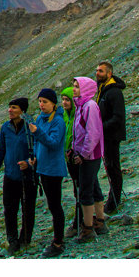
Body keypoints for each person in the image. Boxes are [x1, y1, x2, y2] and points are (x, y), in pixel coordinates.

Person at [0, 97, 36, 254]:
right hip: (10, 176)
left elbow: (39, 148)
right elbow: (0, 150)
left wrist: (30, 162)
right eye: (9, 107)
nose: (10, 110)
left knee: (28, 209)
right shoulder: (5, 128)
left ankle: (25, 238)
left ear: (22, 110)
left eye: (14, 107)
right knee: (10, 210)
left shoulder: (31, 127)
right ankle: (12, 240)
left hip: (28, 176)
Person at [26, 87, 66, 257]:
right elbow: (36, 142)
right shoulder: (40, 119)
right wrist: (34, 156)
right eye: (40, 101)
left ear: (53, 103)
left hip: (54, 169)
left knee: (55, 205)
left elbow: (54, 143)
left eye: (45, 102)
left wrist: (38, 132)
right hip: (43, 167)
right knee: (52, 204)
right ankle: (57, 238)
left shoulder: (58, 121)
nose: (41, 105)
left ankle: (58, 242)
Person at [70, 76, 106, 242]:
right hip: (86, 154)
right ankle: (100, 221)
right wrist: (73, 148)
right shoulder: (81, 105)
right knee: (94, 187)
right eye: (74, 86)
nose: (74, 89)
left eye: (77, 87)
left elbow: (93, 133)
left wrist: (83, 154)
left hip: (89, 156)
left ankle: (88, 228)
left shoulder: (89, 106)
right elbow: (78, 132)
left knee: (85, 190)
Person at [95, 60, 127, 213]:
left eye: (101, 71)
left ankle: (114, 201)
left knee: (113, 167)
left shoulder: (114, 92)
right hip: (106, 135)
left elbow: (118, 117)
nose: (97, 73)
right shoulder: (104, 89)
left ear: (109, 73)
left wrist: (101, 127)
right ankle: (113, 198)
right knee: (110, 167)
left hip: (111, 136)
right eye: (97, 71)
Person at [60, 85, 80, 237]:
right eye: (63, 100)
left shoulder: (77, 114)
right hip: (69, 156)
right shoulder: (66, 116)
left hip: (78, 156)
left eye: (67, 100)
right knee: (77, 186)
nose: (64, 103)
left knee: (80, 188)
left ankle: (81, 221)